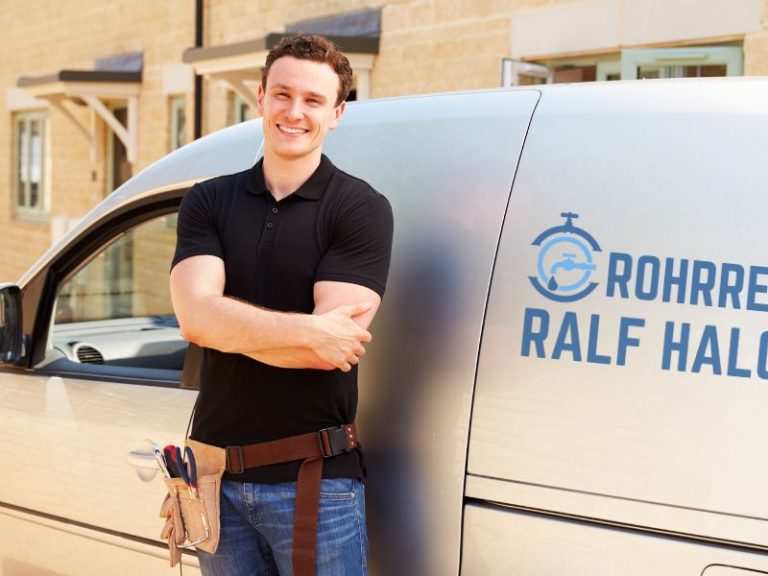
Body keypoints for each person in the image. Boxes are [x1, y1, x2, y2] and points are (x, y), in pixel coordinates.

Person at [169, 33, 394, 576]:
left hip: (316, 481)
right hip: (216, 480)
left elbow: (328, 352)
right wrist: (308, 331)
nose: (295, 112)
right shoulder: (208, 200)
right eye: (283, 94)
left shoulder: (360, 209)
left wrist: (225, 323)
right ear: (261, 98)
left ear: (337, 113)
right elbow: (194, 319)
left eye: (314, 100)